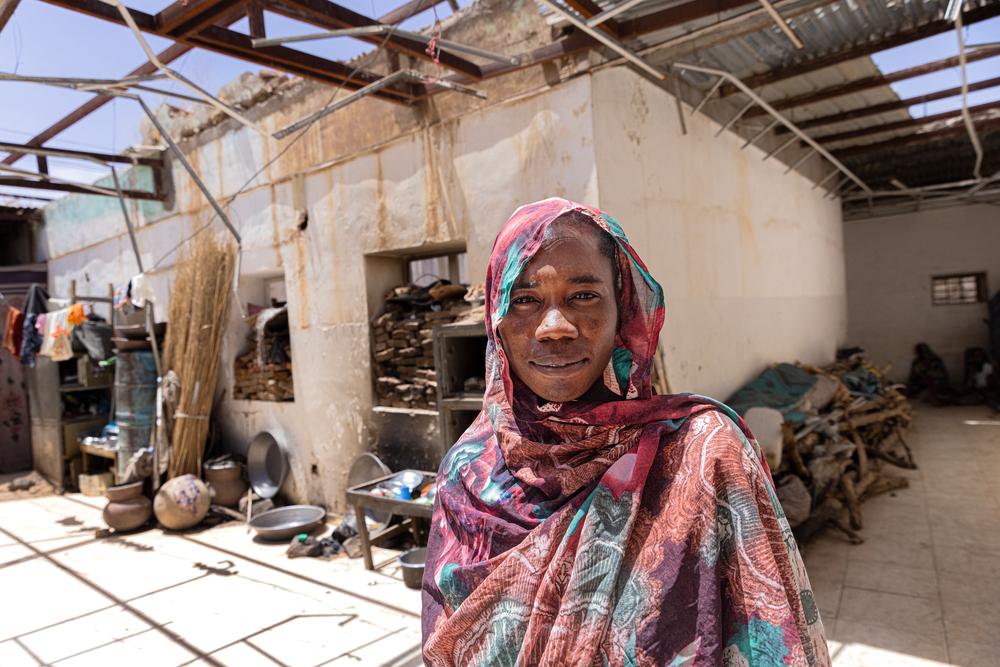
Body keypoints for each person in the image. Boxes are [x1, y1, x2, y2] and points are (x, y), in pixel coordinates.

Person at [421, 198, 829, 666]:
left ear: (623, 313)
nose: (554, 327)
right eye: (525, 299)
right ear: (497, 321)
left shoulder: (704, 456)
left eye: (584, 296)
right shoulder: (466, 473)